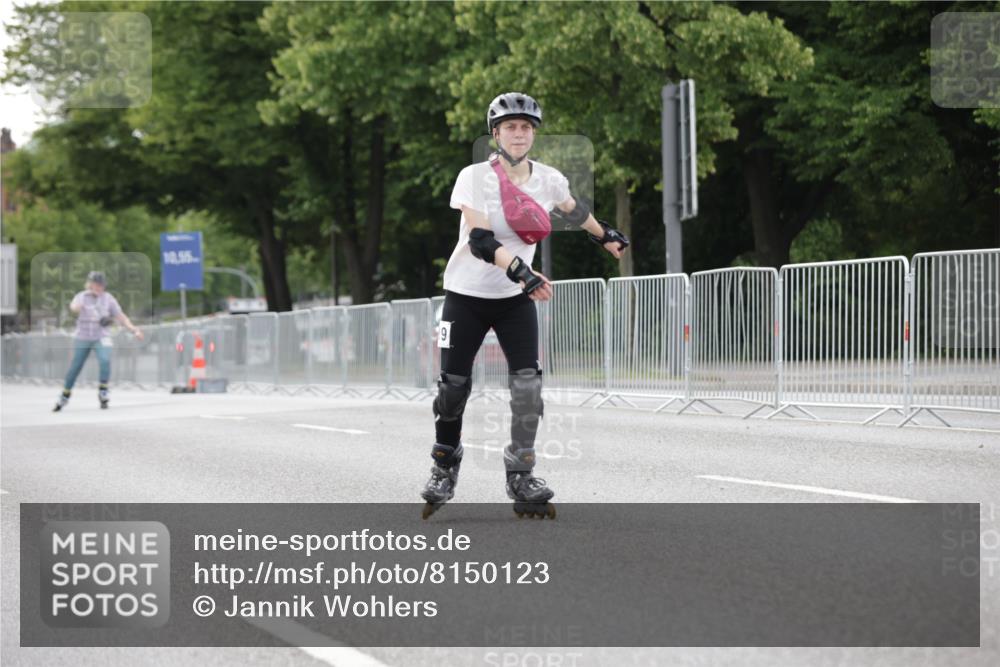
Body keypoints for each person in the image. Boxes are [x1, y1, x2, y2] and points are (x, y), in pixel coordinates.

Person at [421, 92, 630, 518]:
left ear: (533, 134)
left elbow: (573, 211)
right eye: (510, 127)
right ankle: (444, 466)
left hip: (514, 299)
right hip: (466, 295)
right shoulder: (474, 176)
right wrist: (523, 271)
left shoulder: (549, 179)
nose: (519, 134)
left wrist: (604, 234)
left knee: (528, 390)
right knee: (452, 389)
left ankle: (521, 474)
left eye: (526, 127)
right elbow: (480, 240)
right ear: (495, 134)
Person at [53, 271, 144, 411]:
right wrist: (78, 307)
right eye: (95, 285)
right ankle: (65, 394)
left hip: (101, 336)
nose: (98, 288)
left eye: (101, 286)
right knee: (75, 366)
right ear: (90, 284)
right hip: (83, 336)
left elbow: (121, 316)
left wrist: (134, 329)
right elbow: (73, 307)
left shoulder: (108, 299)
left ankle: (103, 390)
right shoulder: (82, 296)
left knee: (105, 359)